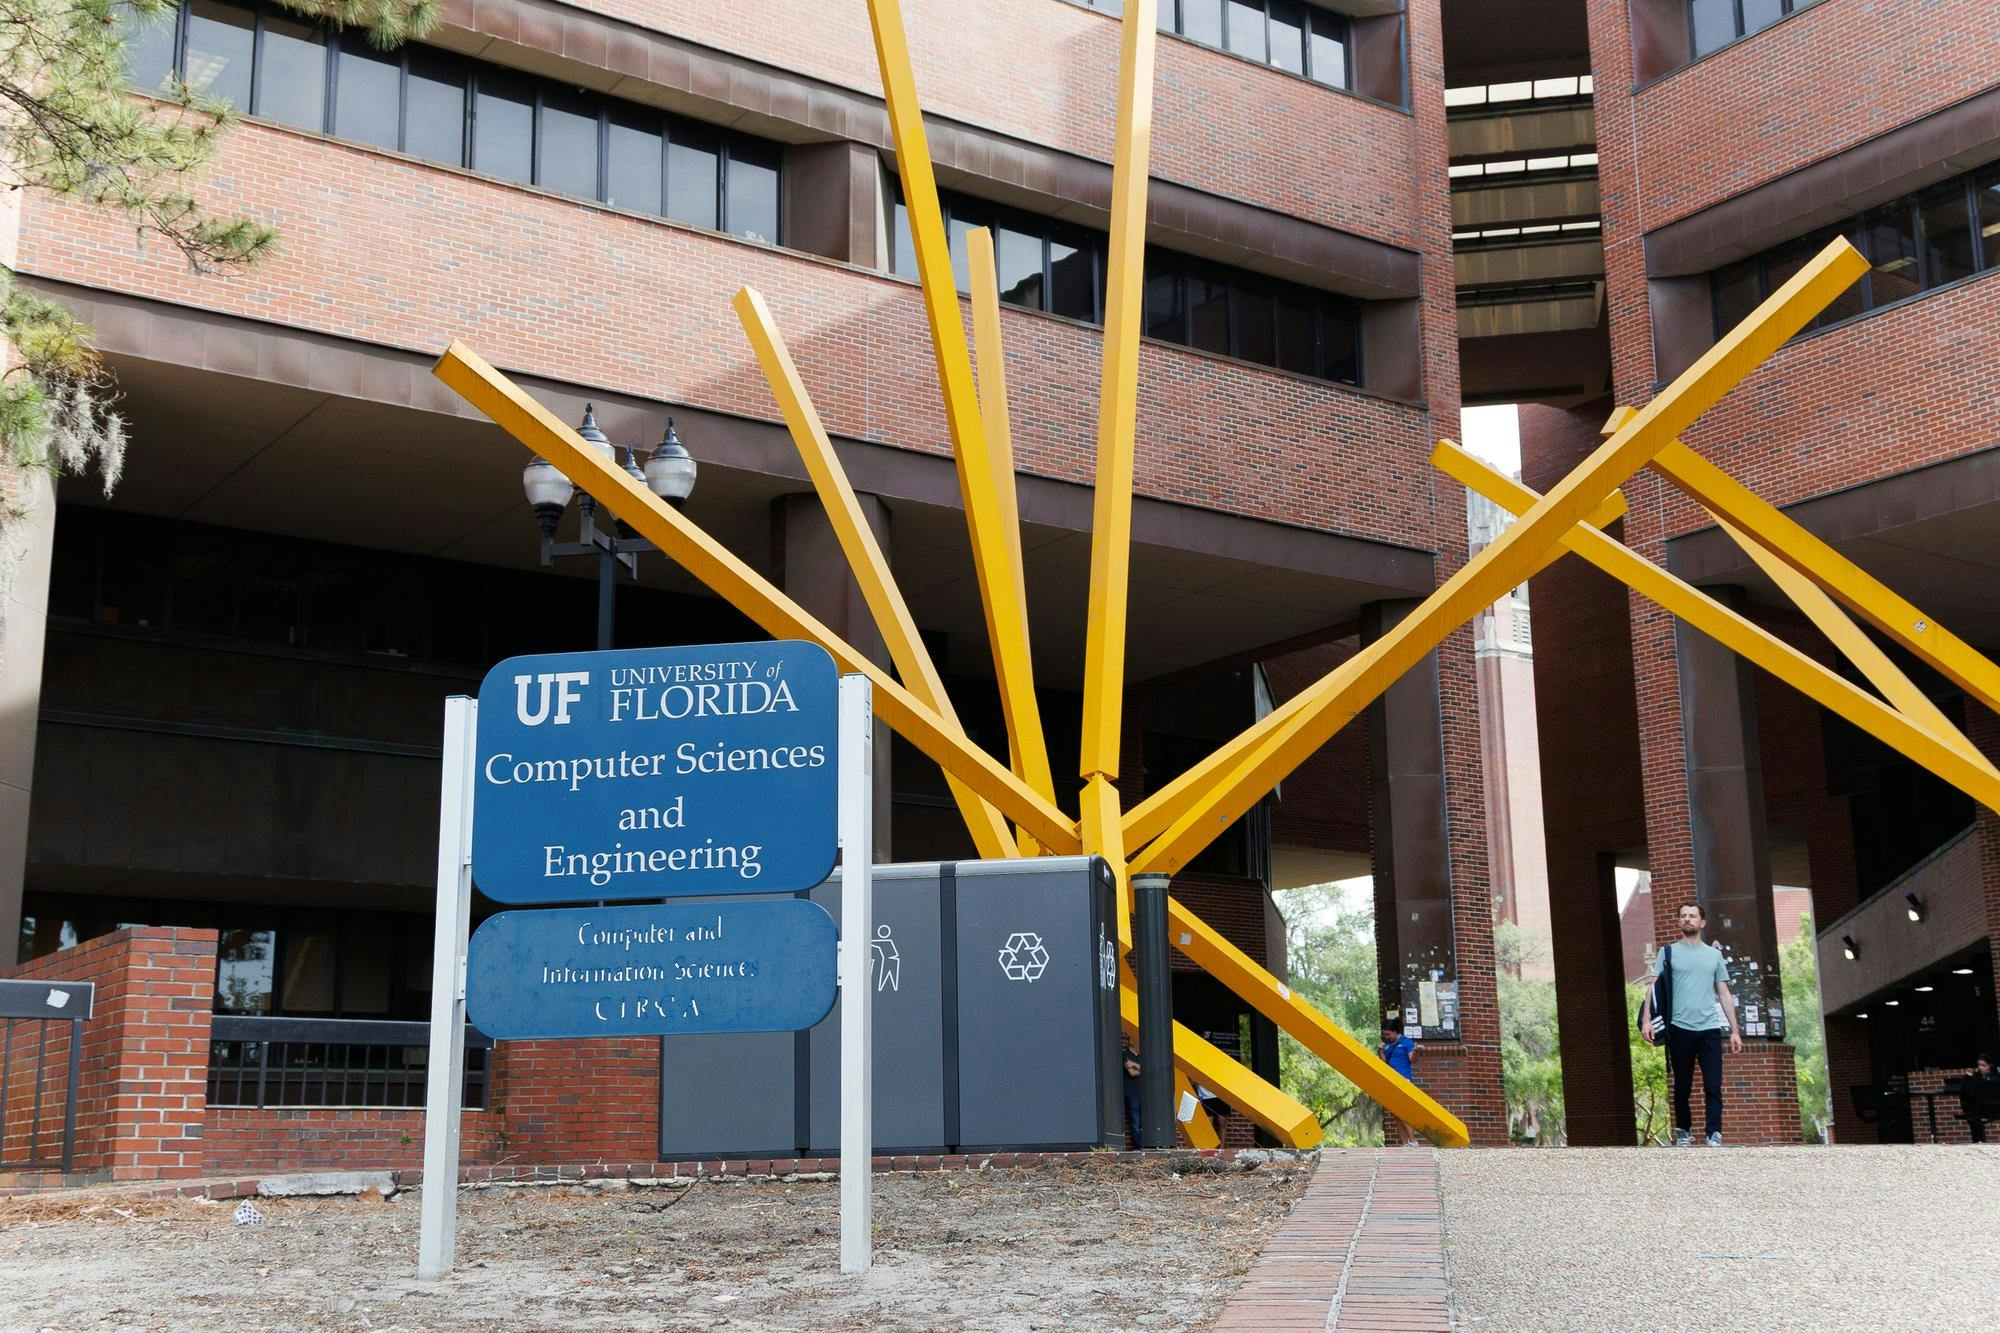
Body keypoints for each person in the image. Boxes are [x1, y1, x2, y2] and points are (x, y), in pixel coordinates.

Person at [1639, 902, 1743, 1147]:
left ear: (1702, 922)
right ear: (1679, 922)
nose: (1687, 919)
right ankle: (1684, 1131)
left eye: (1692, 916)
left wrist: (1735, 1030)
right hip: (1679, 1028)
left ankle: (1713, 1134)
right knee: (1682, 1085)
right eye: (1683, 916)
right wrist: (1646, 1020)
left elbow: (1724, 993)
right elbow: (1653, 987)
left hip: (1709, 1029)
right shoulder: (1668, 953)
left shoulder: (1714, 955)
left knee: (1713, 1084)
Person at [1378, 1016, 1419, 1145]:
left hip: (1404, 1080)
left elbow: (1412, 1060)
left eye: (1388, 1034)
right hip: (1392, 1081)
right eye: (1385, 1035)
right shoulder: (1388, 1046)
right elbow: (1385, 1063)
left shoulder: (1407, 1043)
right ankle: (1405, 1143)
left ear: (1396, 1032)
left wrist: (1417, 1051)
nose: (1386, 1037)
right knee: (1397, 1114)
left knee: (1403, 1112)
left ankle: (1413, 1142)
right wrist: (1380, 1051)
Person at [1122, 1044, 1142, 1145]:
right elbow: (1132, 1073)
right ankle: (1139, 1145)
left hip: (1143, 1093)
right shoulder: (1125, 1054)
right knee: (1135, 1121)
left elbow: (1147, 1070)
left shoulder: (1141, 1056)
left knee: (1144, 1121)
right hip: (1131, 1093)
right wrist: (1139, 1068)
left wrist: (1133, 1064)